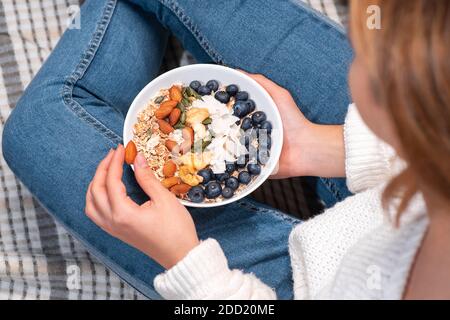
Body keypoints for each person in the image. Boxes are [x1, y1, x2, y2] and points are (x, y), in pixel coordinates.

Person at [3, 0, 449, 299]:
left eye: (373, 41)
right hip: (400, 171)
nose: (352, 35)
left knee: (38, 127)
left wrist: (186, 263)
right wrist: (329, 147)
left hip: (300, 285)